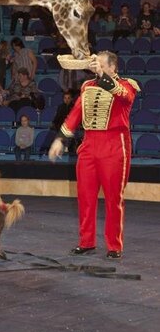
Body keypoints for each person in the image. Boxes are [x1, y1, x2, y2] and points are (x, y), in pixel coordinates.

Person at [49, 51, 139, 259]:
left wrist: (102, 75)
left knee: (113, 199)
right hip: (89, 146)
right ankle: (86, 241)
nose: (94, 66)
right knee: (85, 197)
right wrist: (60, 139)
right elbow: (76, 114)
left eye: (99, 63)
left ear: (112, 67)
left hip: (114, 146)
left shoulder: (127, 85)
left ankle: (114, 245)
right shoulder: (87, 87)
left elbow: (124, 97)